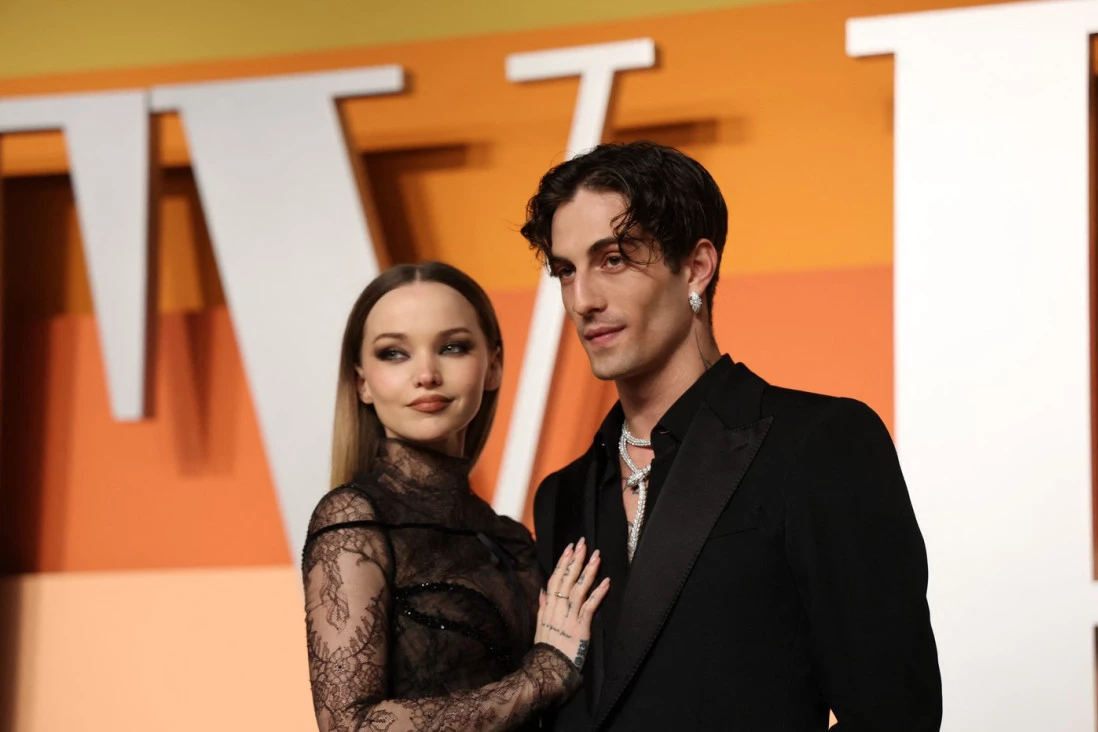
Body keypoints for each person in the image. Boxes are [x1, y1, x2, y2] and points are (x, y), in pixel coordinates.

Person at [521, 142, 942, 731]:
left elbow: (895, 714)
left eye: (613, 259)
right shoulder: (561, 494)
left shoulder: (819, 445)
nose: (583, 300)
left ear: (696, 267)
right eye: (566, 270)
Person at [301, 262, 611, 731]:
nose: (427, 374)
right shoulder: (353, 519)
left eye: (452, 347)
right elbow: (350, 726)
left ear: (494, 366)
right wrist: (541, 678)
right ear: (362, 382)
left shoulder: (510, 538)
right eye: (394, 353)